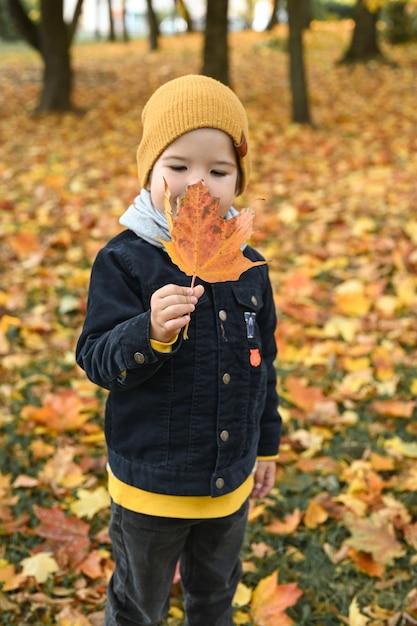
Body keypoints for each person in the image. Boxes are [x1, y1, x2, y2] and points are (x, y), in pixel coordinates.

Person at [76, 74, 282, 626]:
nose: (199, 185)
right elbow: (96, 356)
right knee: (138, 603)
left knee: (214, 598)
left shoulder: (248, 268)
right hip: (151, 488)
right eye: (178, 166)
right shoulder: (125, 261)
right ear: (148, 172)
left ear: (238, 178)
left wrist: (265, 445)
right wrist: (149, 333)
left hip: (228, 484)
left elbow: (263, 361)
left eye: (219, 171)